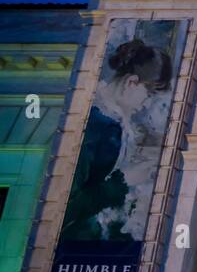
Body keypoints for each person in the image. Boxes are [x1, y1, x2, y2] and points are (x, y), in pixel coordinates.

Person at [62, 37, 174, 241]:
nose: (147, 105)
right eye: (149, 95)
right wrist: (123, 181)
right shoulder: (95, 125)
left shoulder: (114, 121)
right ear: (132, 82)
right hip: (77, 246)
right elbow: (65, 206)